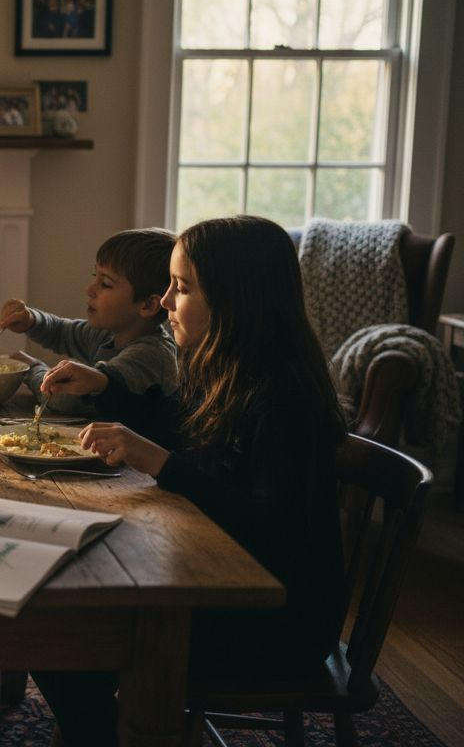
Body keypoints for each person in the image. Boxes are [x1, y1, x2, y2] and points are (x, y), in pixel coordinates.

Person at [31, 215, 349, 746]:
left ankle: (111, 733)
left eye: (181, 288)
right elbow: (174, 430)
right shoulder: (224, 366)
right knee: (63, 610)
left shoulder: (285, 398)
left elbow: (267, 526)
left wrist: (160, 461)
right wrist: (106, 390)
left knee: (61, 630)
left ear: (234, 299)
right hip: (231, 586)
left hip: (276, 620)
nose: (165, 302)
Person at [0, 228, 177, 416]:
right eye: (95, 277)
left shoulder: (150, 355)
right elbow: (60, 332)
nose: (90, 290)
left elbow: (64, 399)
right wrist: (31, 320)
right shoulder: (108, 334)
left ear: (148, 305)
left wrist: (30, 368)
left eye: (106, 284)